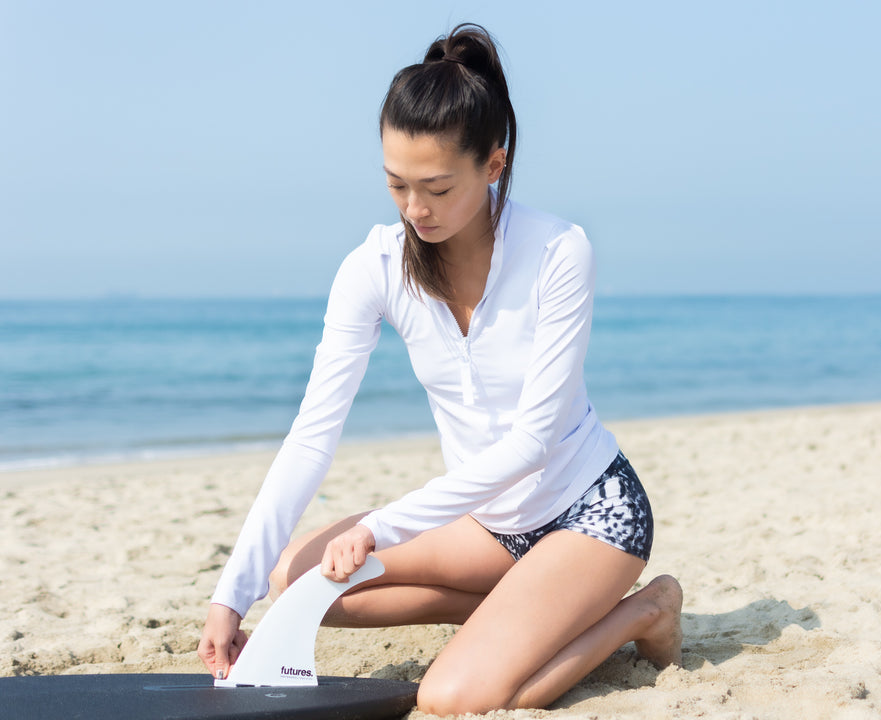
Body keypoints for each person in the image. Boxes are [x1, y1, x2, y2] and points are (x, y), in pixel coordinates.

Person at [197, 23, 682, 716]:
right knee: (293, 577)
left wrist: (381, 527)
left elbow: (532, 444)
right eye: (396, 185)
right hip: (486, 528)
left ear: (493, 165)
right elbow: (311, 438)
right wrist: (229, 596)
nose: (415, 209)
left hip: (589, 513)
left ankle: (644, 610)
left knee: (454, 697)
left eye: (436, 187)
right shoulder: (372, 268)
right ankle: (527, 607)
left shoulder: (558, 253)